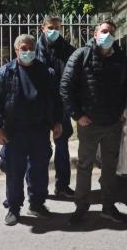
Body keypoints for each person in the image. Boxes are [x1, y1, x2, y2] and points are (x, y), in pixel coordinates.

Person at [60, 19, 127, 225]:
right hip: (89, 124)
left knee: (110, 168)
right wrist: (77, 115)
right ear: (95, 34)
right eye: (103, 31)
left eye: (111, 32)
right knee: (85, 166)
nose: (107, 35)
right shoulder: (81, 55)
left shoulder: (120, 58)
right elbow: (66, 87)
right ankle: (81, 207)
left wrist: (123, 110)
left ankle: (108, 207)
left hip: (113, 123)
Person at [0, 34, 63, 226]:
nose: (28, 51)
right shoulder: (5, 73)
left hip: (39, 130)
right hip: (14, 132)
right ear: (16, 50)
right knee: (14, 172)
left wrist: (57, 122)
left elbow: (56, 100)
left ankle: (37, 204)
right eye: (24, 48)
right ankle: (13, 208)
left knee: (39, 170)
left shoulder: (46, 72)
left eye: (31, 48)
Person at [35, 15, 76, 198]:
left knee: (62, 146)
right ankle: (39, 189)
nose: (54, 31)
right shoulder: (34, 49)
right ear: (43, 28)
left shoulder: (67, 49)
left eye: (57, 28)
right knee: (41, 149)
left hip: (61, 104)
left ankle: (62, 186)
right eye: (51, 27)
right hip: (41, 104)